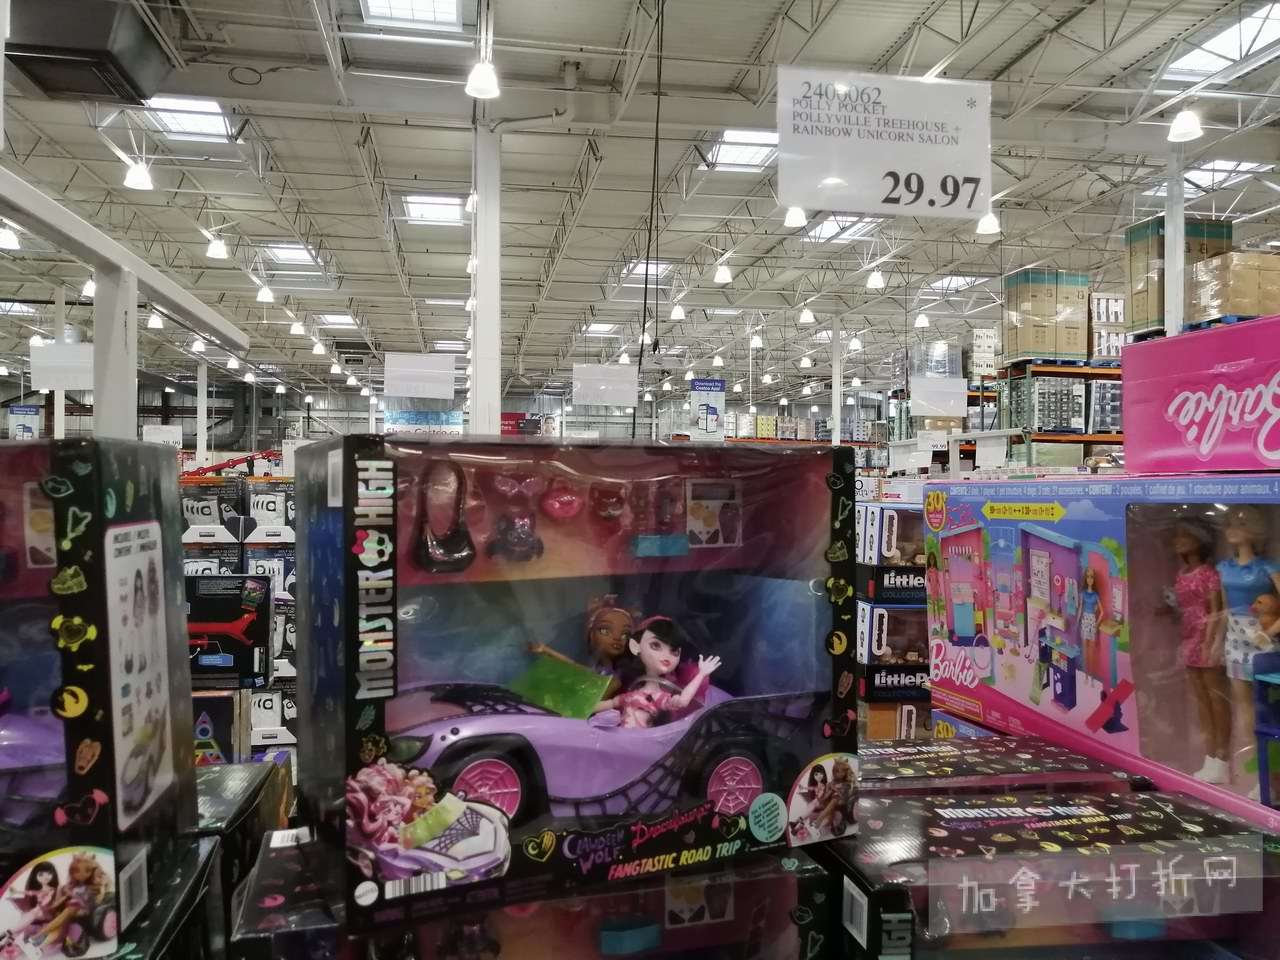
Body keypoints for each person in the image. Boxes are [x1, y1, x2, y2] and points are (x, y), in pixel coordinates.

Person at [593, 617, 720, 729]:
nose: (666, 656)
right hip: (620, 740)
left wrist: (701, 674)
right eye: (655, 645)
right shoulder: (630, 695)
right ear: (635, 646)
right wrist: (583, 711)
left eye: (674, 652)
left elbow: (683, 701)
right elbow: (610, 703)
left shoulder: (661, 698)